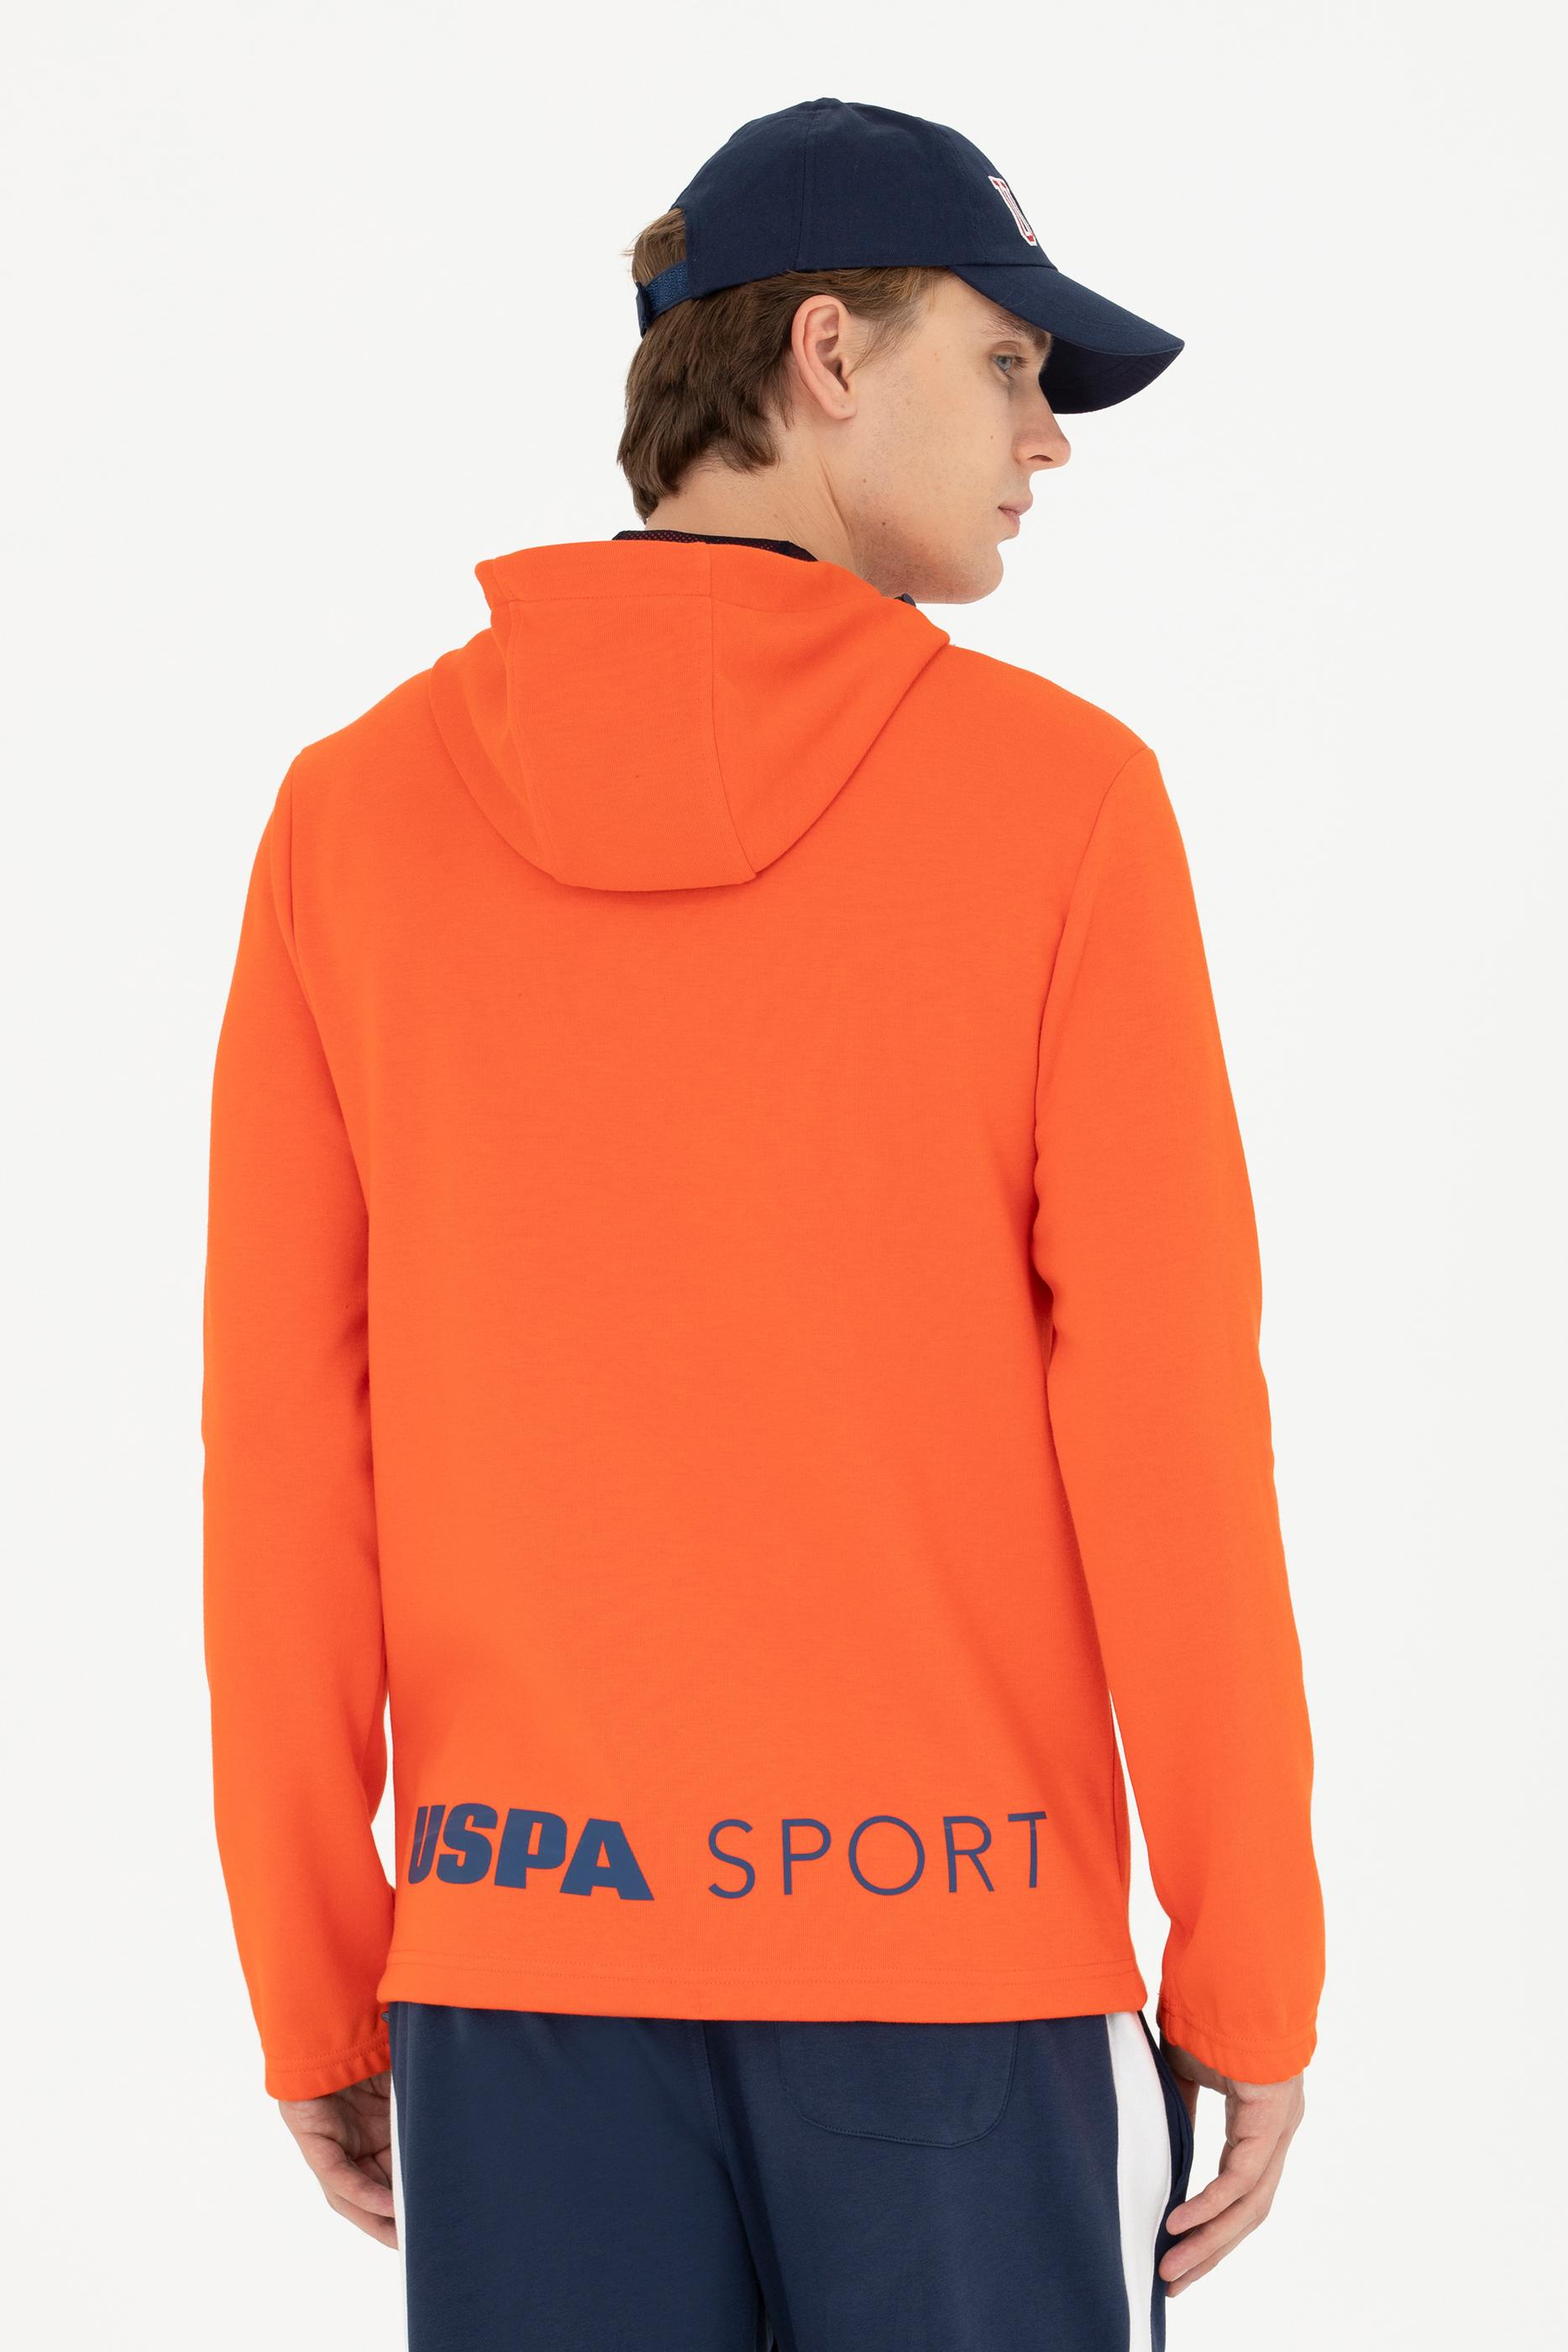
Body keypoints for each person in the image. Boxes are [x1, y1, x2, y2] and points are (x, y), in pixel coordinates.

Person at [202, 96, 1324, 2351]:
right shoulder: (1062, 811)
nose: (1047, 440)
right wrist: (1249, 1961)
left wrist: (317, 1982)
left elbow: (284, 1458)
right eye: (1007, 365)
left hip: (518, 1972)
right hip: (959, 1969)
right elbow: (1169, 1426)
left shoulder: (351, 820)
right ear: (827, 354)